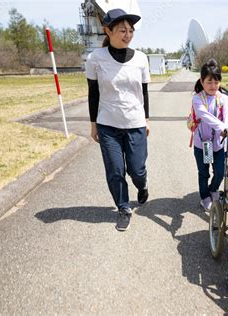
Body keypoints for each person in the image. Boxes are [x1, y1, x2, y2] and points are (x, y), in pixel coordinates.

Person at [85, 8, 150, 231]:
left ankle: (142, 187)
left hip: (135, 123)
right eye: (122, 30)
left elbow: (144, 91)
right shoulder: (95, 58)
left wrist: (147, 119)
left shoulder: (141, 58)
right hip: (107, 125)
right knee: (115, 171)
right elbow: (93, 93)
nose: (127, 34)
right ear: (107, 30)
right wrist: (93, 124)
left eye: (130, 30)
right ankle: (123, 208)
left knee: (137, 170)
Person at [192, 59, 228, 211]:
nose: (213, 86)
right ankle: (204, 197)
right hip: (202, 144)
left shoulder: (223, 98)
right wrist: (222, 126)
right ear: (202, 81)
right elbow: (204, 116)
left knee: (220, 172)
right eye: (209, 82)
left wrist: (227, 127)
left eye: (216, 82)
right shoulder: (197, 98)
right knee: (203, 172)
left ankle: (213, 189)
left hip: (218, 144)